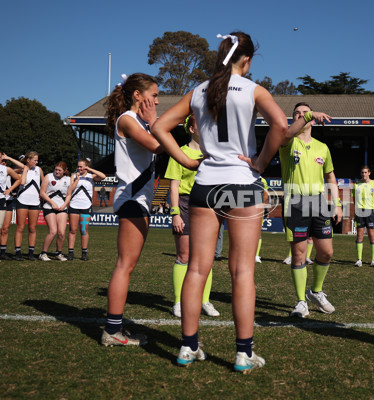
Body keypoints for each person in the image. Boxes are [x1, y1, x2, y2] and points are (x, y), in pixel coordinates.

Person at [151, 32, 287, 372]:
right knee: (242, 271)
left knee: (197, 268)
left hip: (205, 184)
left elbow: (159, 127)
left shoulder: (199, 90)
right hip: (241, 184)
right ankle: (243, 354)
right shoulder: (254, 89)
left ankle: (187, 347)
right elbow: (281, 126)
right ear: (248, 59)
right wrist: (258, 163)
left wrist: (185, 161)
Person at [101, 72, 163, 347]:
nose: (158, 101)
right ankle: (112, 330)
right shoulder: (128, 119)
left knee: (129, 264)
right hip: (131, 199)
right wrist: (153, 123)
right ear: (138, 95)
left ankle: (116, 327)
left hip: (138, 200)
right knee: (125, 265)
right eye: (155, 95)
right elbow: (158, 145)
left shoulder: (137, 120)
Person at [280, 102, 340, 319]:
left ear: (313, 120)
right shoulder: (287, 141)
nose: (301, 116)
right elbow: (287, 133)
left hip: (319, 202)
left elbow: (330, 176)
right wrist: (309, 114)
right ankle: (301, 302)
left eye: (305, 113)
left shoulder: (322, 147)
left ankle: (316, 291)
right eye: (296, 113)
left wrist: (338, 204)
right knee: (299, 255)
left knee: (327, 252)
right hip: (295, 201)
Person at [164, 114, 219, 318]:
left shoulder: (214, 154)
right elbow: (174, 186)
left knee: (206, 257)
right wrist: (175, 213)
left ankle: (204, 300)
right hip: (186, 204)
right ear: (192, 129)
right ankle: (179, 301)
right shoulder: (179, 153)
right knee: (184, 256)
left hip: (209, 205)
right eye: (200, 124)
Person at [67, 159, 106, 261]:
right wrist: (77, 180)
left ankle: (84, 253)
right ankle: (70, 252)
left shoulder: (91, 177)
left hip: (86, 206)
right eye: (78, 166)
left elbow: (103, 176)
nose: (79, 168)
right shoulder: (74, 176)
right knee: (73, 230)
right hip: (74, 206)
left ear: (86, 167)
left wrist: (89, 169)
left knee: (84, 230)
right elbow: (70, 189)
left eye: (82, 167)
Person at [39, 161, 72, 261]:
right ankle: (43, 254)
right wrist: (52, 203)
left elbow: (69, 195)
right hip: (49, 207)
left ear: (65, 171)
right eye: (56, 169)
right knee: (53, 231)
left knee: (61, 233)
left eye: (59, 170)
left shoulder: (69, 179)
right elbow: (42, 192)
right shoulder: (48, 176)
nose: (56, 172)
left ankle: (58, 253)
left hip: (62, 208)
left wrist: (64, 205)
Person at [14, 151, 44, 261]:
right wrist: (23, 169)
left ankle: (31, 252)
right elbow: (20, 180)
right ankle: (18, 252)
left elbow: (44, 181)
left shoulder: (39, 169)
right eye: (35, 160)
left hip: (35, 202)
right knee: (20, 227)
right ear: (28, 160)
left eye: (37, 160)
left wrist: (42, 193)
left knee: (32, 228)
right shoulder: (21, 169)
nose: (37, 162)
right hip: (22, 200)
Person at [352, 165, 374, 268]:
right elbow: (354, 199)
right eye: (362, 173)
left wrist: (369, 207)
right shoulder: (356, 185)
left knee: (371, 236)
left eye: (365, 172)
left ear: (369, 173)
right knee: (359, 236)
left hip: (370, 212)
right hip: (359, 212)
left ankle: (373, 260)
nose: (364, 174)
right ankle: (359, 260)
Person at [0, 153, 22, 259]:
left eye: (5, 160)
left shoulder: (8, 170)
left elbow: (22, 167)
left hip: (7, 200)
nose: (4, 162)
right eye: (2, 160)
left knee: (5, 228)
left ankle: (3, 253)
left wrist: (10, 189)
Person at [255, 177, 270, 263]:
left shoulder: (262, 180)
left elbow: (266, 195)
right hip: (247, 208)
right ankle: (253, 255)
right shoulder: (262, 180)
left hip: (257, 209)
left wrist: (266, 209)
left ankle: (255, 255)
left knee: (257, 232)